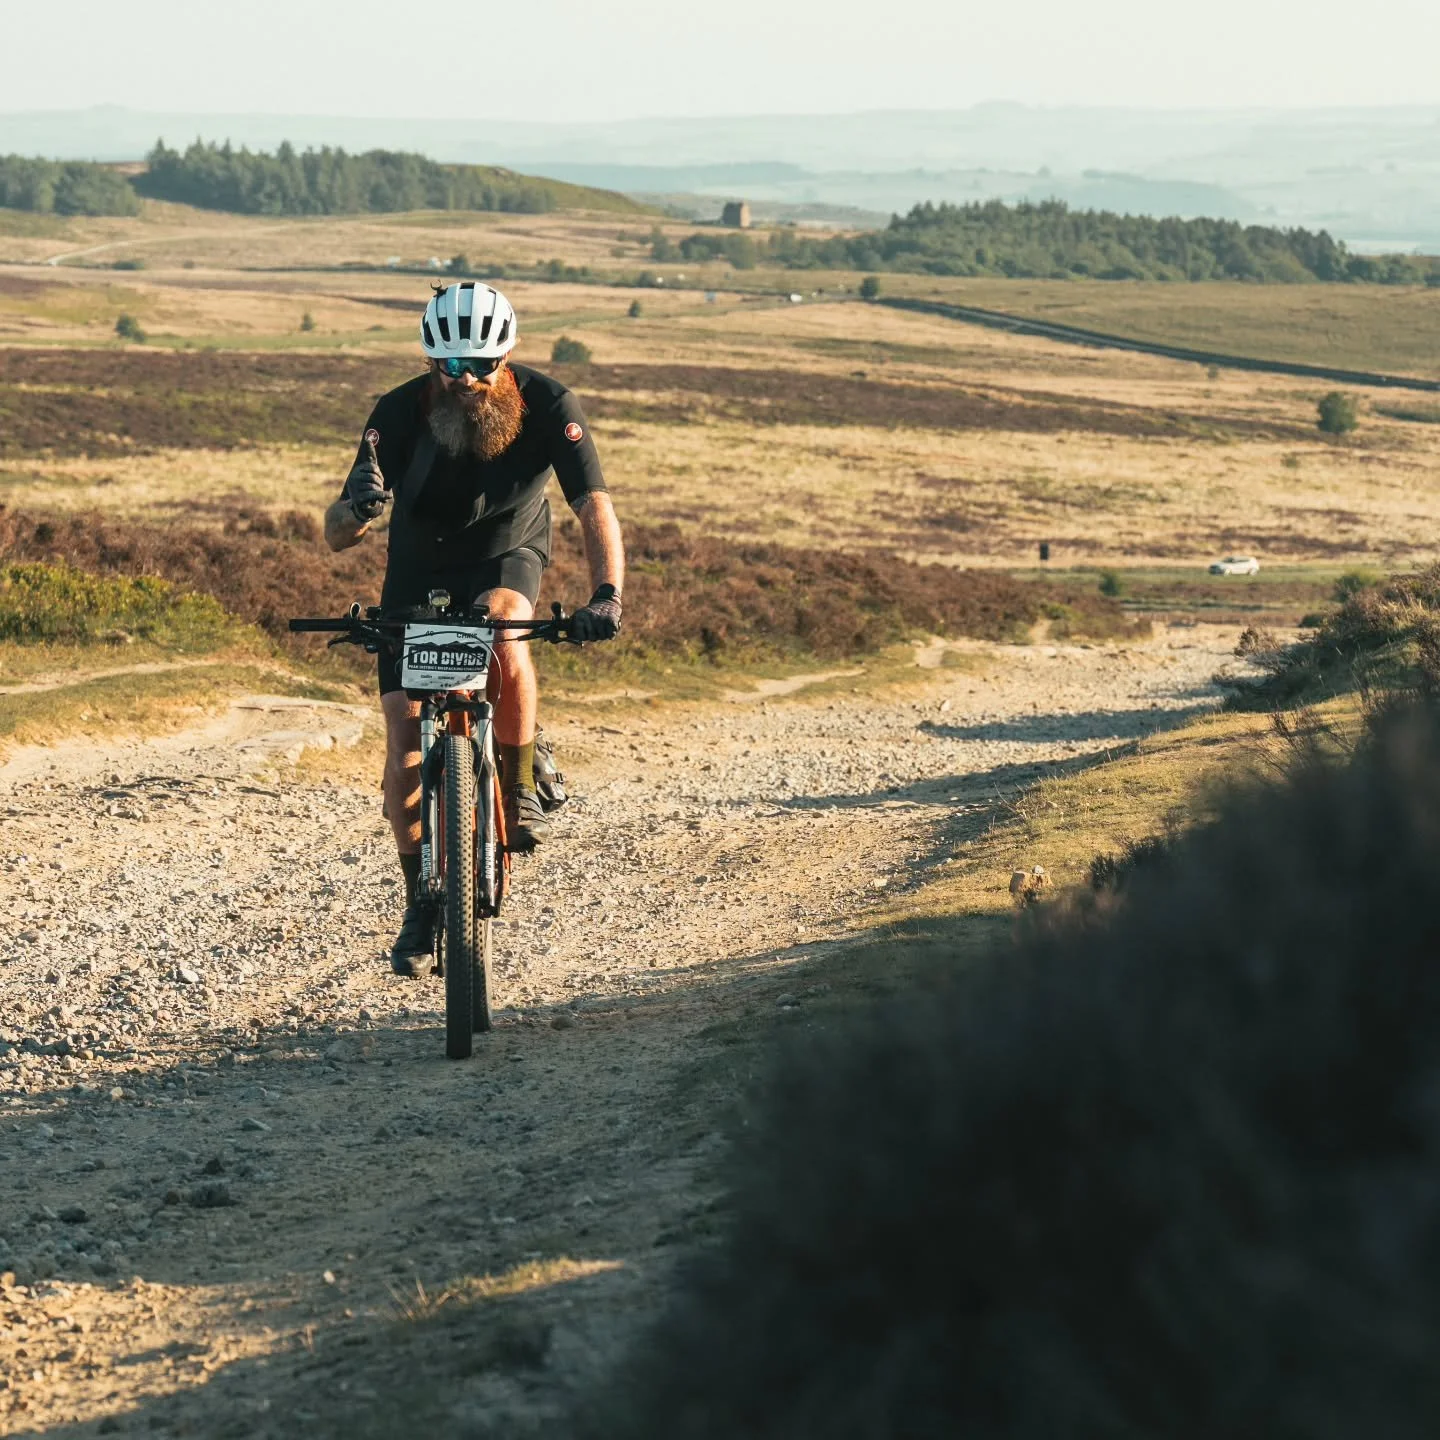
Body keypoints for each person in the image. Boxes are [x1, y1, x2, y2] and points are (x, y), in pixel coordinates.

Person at [324, 281, 625, 975]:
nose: (469, 383)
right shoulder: (396, 415)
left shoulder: (551, 405)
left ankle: (515, 789)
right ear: (431, 363)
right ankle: (418, 902)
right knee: (403, 735)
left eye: (484, 367)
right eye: (451, 368)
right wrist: (359, 511)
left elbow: (594, 507)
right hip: (416, 566)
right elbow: (336, 534)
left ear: (508, 355)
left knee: (506, 621)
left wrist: (608, 593)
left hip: (508, 552)